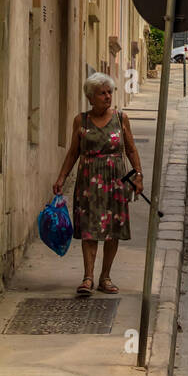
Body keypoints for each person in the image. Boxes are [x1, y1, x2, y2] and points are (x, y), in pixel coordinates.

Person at [54, 73, 144, 298]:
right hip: (89, 182)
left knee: (112, 229)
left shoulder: (121, 118)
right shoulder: (80, 120)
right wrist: (62, 177)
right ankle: (88, 277)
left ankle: (105, 277)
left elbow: (131, 149)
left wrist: (138, 175)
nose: (107, 96)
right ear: (90, 97)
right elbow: (74, 151)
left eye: (109, 92)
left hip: (116, 180)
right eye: (102, 93)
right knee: (89, 229)